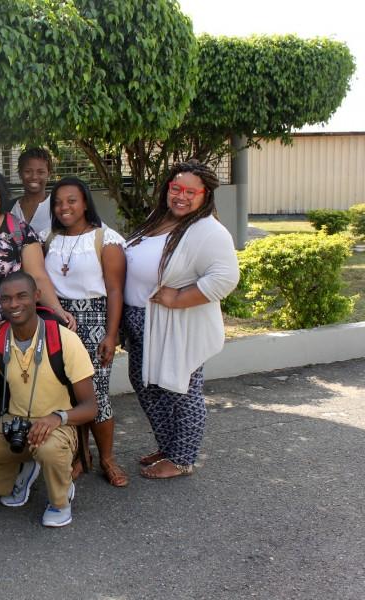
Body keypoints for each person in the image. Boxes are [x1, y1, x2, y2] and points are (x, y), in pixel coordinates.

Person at [0, 272, 98, 527]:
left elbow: (90, 407)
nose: (14, 304)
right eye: (7, 299)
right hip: (15, 424)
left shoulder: (64, 339)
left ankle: (60, 501)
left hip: (60, 425)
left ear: (36, 296)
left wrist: (58, 417)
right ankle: (17, 478)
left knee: (49, 448)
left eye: (22, 296)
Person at [122, 159, 239, 479]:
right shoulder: (158, 219)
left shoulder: (208, 230)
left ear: (205, 195)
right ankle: (169, 446)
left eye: (191, 191)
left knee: (182, 391)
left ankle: (183, 458)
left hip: (175, 325)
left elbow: (225, 278)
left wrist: (178, 298)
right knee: (148, 387)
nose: (181, 196)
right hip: (141, 322)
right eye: (176, 188)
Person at [0, 165, 75, 415]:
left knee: (12, 400)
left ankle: (13, 449)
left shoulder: (18, 230)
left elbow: (37, 275)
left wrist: (57, 310)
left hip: (13, 332)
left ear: (1, 194)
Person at [41, 177, 128, 487]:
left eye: (71, 200)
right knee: (65, 393)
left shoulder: (106, 240)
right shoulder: (47, 238)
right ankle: (81, 455)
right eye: (58, 202)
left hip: (94, 321)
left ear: (86, 202)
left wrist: (111, 334)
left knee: (97, 395)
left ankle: (107, 458)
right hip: (56, 321)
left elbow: (115, 291)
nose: (64, 207)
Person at [10, 147, 54, 234]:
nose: (34, 177)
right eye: (28, 171)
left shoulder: (57, 205)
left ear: (49, 174)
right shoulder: (9, 207)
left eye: (40, 172)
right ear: (20, 174)